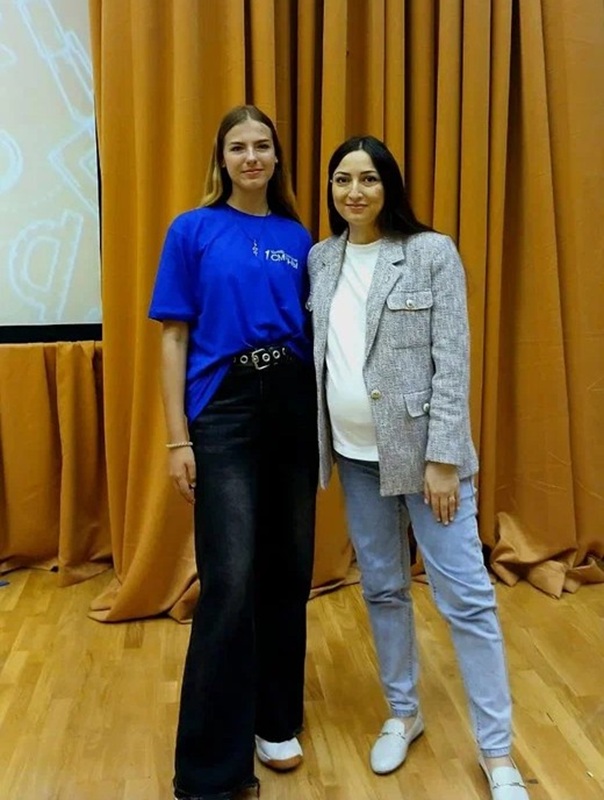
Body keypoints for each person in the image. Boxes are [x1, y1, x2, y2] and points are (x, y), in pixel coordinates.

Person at [307, 135, 529, 800]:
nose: (354, 192)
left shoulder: (431, 252)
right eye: (343, 180)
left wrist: (443, 459)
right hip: (355, 460)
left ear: (389, 186)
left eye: (368, 179)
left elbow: (452, 360)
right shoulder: (321, 259)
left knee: (466, 600)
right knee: (382, 588)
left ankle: (497, 753)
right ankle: (403, 713)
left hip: (427, 463)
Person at [149, 105, 318, 800]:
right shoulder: (192, 230)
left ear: (277, 158)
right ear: (221, 159)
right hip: (224, 409)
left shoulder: (298, 237)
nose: (252, 157)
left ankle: (274, 720)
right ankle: (210, 770)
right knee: (231, 577)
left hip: (292, 404)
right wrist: (177, 438)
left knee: (288, 569)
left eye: (263, 146)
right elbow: (172, 337)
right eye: (239, 147)